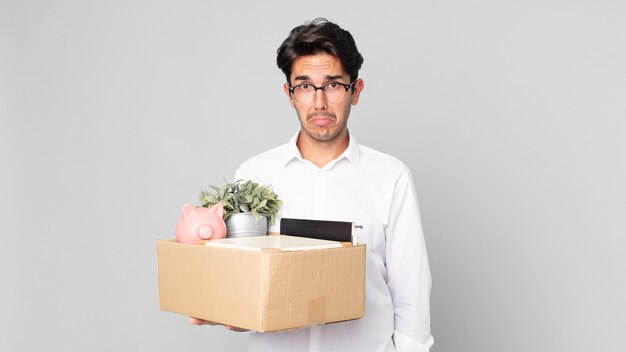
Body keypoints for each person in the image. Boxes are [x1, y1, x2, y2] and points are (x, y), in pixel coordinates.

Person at [192, 18, 434, 352]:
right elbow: (243, 281)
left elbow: (411, 291)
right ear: (289, 94)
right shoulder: (254, 175)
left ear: (356, 91)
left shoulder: (390, 177)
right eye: (305, 86)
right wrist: (228, 308)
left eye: (333, 85)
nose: (319, 103)